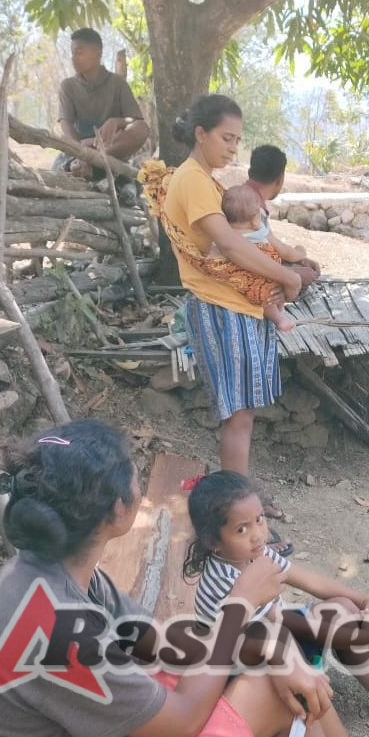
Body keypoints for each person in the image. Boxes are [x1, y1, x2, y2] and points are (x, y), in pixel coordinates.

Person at [0, 420, 355, 737]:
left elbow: (166, 647)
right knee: (269, 691)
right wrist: (241, 603)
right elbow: (184, 721)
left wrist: (273, 647)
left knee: (272, 670)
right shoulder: (59, 626)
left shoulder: (52, 573)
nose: (139, 476)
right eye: (133, 471)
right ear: (117, 509)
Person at [137, 95, 307, 534]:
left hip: (235, 306)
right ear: (201, 133)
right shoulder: (193, 181)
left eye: (237, 141)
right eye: (226, 138)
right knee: (237, 414)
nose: (233, 149)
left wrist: (283, 271)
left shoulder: (206, 181)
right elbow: (231, 247)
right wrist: (287, 278)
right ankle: (236, 509)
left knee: (243, 412)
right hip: (220, 309)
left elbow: (241, 241)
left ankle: (240, 494)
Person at [183, 472, 369, 722]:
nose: (258, 534)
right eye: (242, 529)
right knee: (342, 621)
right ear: (212, 541)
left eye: (259, 520)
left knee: (343, 605)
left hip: (279, 638)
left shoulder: (253, 553)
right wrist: (355, 636)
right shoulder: (224, 582)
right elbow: (272, 630)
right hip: (255, 667)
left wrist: (361, 598)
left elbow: (309, 581)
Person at [55, 28, 150, 178]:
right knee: (63, 159)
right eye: (72, 53)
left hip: (111, 149)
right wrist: (80, 152)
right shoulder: (68, 86)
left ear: (97, 53)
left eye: (79, 52)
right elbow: (66, 125)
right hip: (81, 148)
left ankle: (95, 161)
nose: (73, 58)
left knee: (142, 128)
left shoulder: (118, 84)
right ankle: (84, 164)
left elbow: (137, 122)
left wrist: (117, 122)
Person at [218, 184, 304, 332]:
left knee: (264, 294)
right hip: (265, 280)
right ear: (254, 219)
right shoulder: (260, 231)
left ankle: (279, 313)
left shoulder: (226, 234)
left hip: (238, 283)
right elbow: (285, 252)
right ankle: (279, 318)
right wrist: (301, 252)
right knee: (268, 295)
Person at [245, 144, 322, 289]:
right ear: (280, 179)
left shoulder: (236, 197)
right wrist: (298, 259)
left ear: (249, 172)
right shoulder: (253, 207)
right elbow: (283, 251)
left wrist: (300, 261)